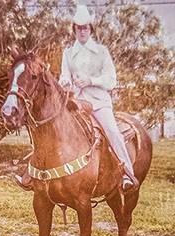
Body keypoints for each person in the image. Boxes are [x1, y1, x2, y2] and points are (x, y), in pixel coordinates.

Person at [59, 4, 138, 192]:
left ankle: (127, 173)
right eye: (78, 28)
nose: (82, 31)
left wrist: (91, 80)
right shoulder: (68, 53)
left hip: (98, 102)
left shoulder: (101, 52)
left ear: (90, 29)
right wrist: (65, 82)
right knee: (56, 128)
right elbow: (64, 75)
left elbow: (111, 80)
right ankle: (38, 173)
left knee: (112, 131)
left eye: (85, 27)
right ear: (74, 30)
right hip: (76, 102)